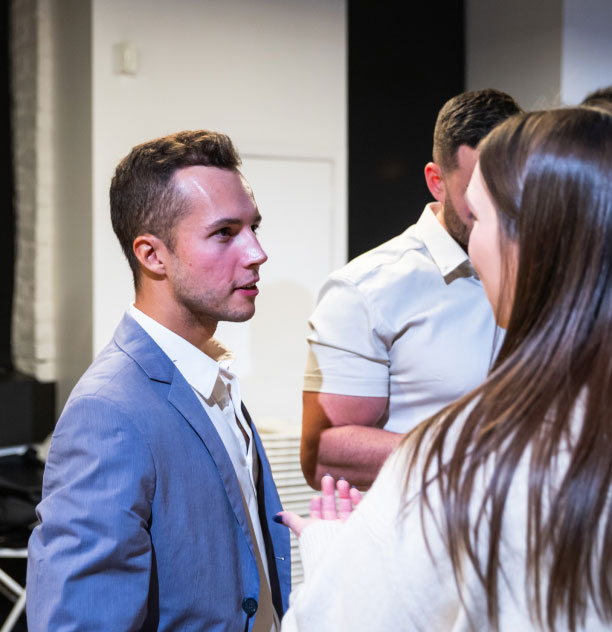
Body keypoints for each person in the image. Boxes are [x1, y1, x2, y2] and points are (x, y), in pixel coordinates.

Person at [278, 106, 612, 631]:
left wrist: (329, 553)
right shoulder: (368, 288)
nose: (474, 243)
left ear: (532, 237)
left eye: (481, 217)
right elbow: (322, 452)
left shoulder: (456, 459)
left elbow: (339, 621)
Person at [26, 130, 291, 630]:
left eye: (253, 227)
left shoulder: (209, 375)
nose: (257, 252)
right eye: (225, 233)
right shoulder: (108, 410)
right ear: (152, 255)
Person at [301, 89, 522, 490]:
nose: (501, 209)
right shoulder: (367, 289)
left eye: (512, 190)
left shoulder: (545, 268)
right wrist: (477, 458)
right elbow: (323, 455)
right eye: (479, 195)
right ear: (437, 182)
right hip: (420, 524)